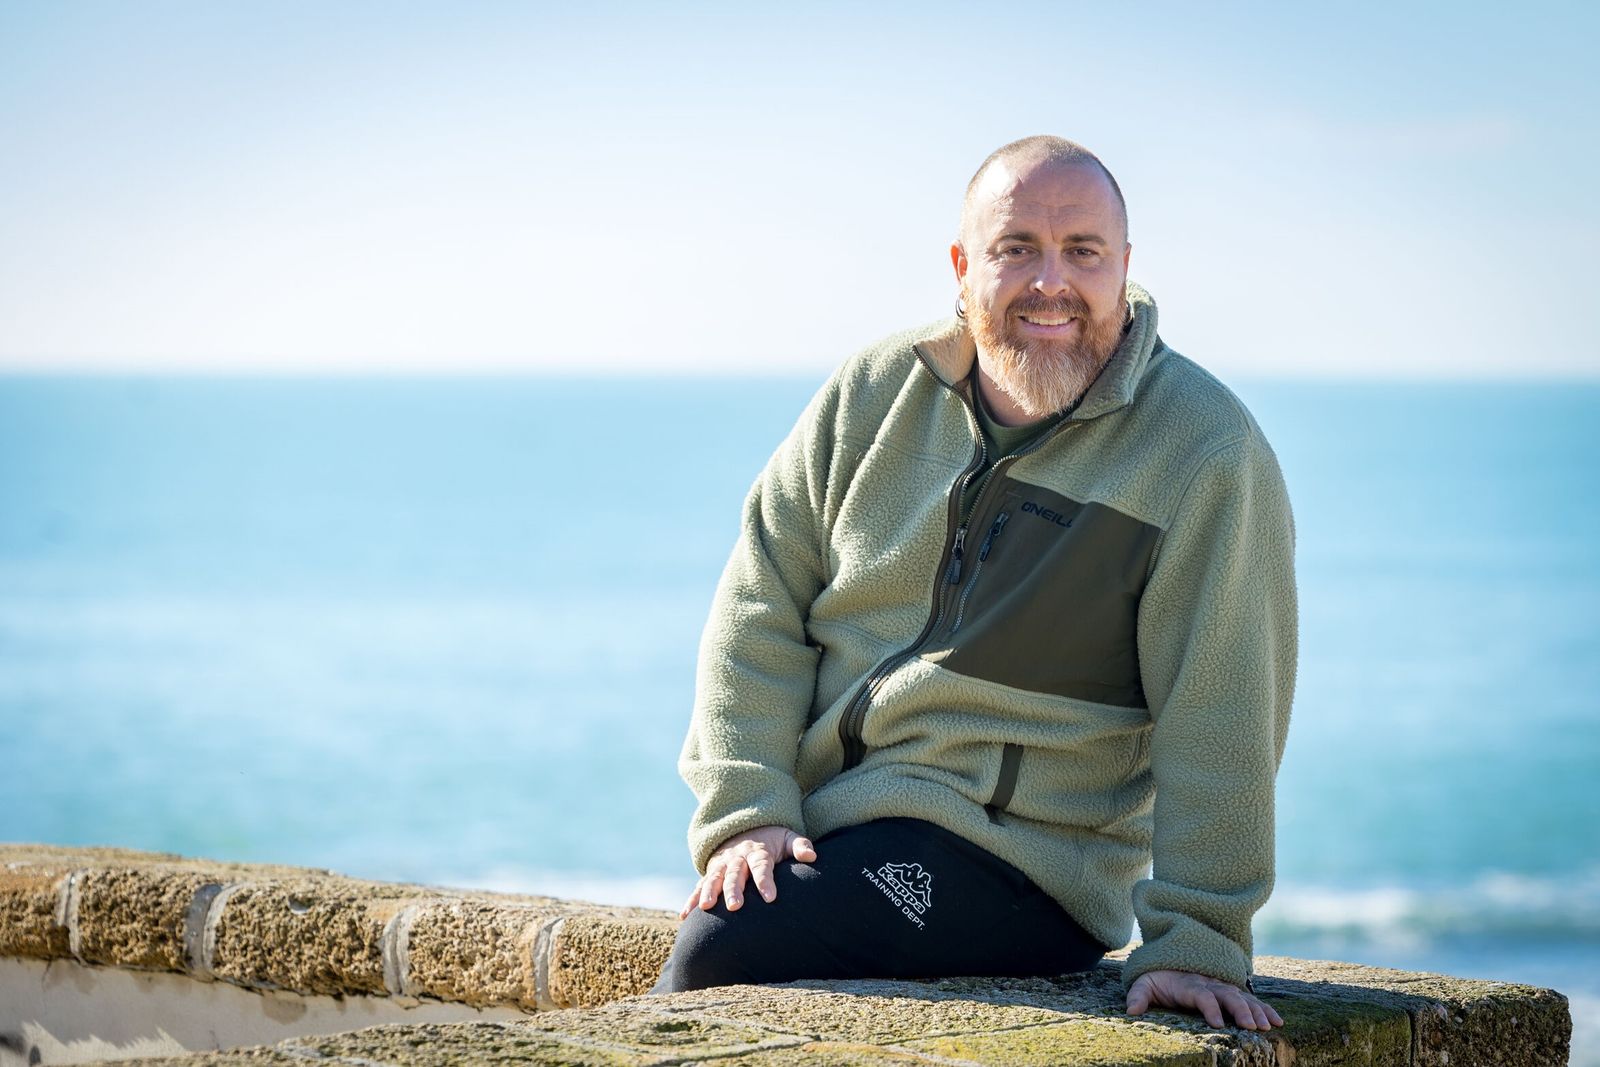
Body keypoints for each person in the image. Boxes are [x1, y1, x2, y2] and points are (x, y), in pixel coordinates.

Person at [653, 135, 1296, 1033]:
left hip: (1026, 865)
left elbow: (1222, 705)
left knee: (727, 949)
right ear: (963, 265)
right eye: (1015, 248)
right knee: (740, 924)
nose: (1050, 282)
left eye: (1083, 252)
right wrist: (747, 808)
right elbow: (760, 601)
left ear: (1124, 268)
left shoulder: (1202, 450)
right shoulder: (875, 393)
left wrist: (1198, 938)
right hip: (834, 826)